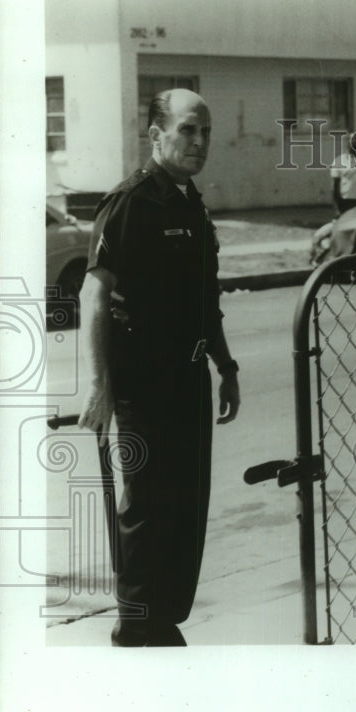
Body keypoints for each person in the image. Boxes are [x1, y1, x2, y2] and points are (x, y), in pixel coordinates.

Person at [78, 88, 240, 647]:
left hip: (189, 378)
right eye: (187, 130)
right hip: (145, 383)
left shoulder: (190, 202)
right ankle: (136, 624)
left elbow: (203, 295)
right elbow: (93, 296)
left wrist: (226, 364)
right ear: (155, 135)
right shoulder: (131, 202)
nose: (199, 142)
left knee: (187, 501)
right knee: (147, 503)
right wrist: (100, 386)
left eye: (206, 132)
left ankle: (163, 616)